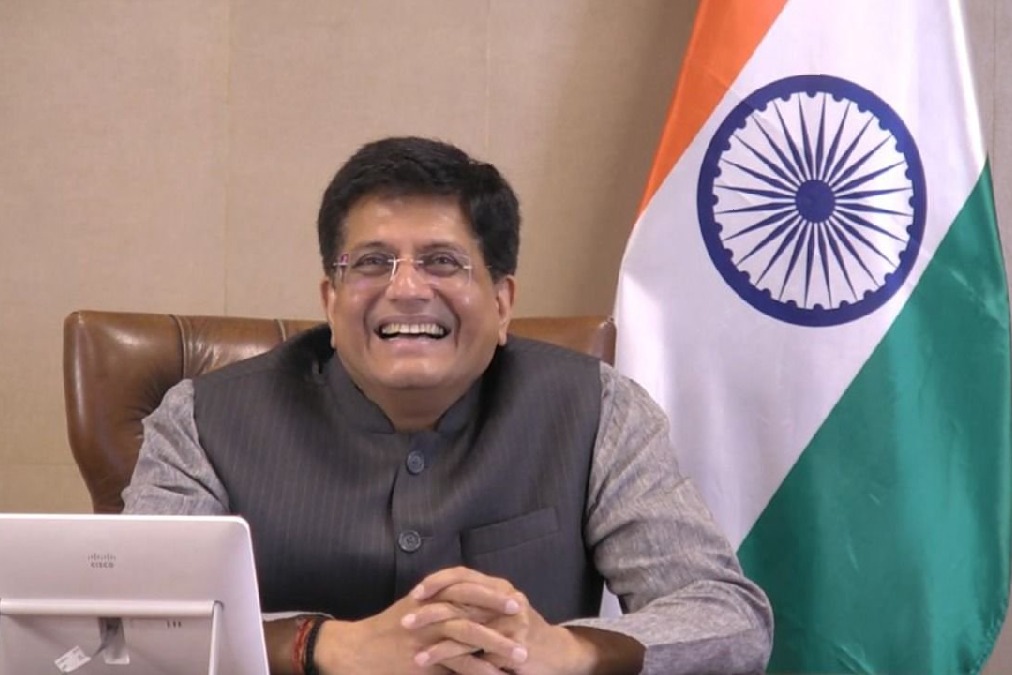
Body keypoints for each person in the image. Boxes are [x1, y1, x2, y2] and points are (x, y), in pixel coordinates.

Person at [124, 136, 773, 674]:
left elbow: (729, 617)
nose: (407, 288)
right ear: (330, 300)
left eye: (442, 261)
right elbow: (133, 619)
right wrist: (325, 647)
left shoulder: (598, 410)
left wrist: (567, 650)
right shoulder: (201, 421)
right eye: (372, 262)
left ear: (502, 303)